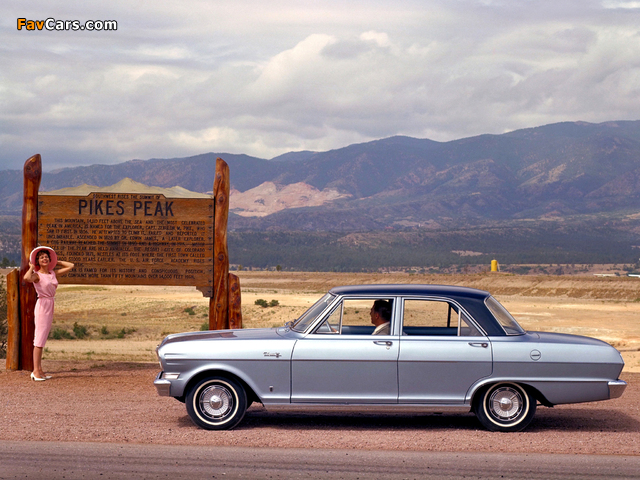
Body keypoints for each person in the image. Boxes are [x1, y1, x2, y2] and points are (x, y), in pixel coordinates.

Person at [23, 246, 74, 381]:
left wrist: (57, 261)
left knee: (43, 338)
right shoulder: (37, 275)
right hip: (42, 305)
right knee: (39, 339)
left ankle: (40, 370)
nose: (44, 258)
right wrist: (31, 267)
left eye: (46, 256)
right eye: (41, 257)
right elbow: (27, 278)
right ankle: (35, 371)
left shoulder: (52, 273)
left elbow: (71, 265)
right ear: (37, 261)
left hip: (50, 304)